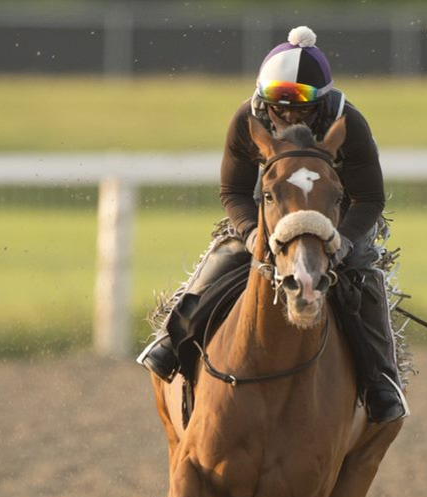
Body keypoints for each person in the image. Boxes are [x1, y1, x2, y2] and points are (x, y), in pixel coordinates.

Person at [136, 25, 408, 423]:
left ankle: (381, 380)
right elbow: (233, 191)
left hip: (337, 217)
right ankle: (174, 342)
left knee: (365, 276)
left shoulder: (348, 122)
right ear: (264, 98)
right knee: (223, 256)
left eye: (301, 104)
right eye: (279, 103)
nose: (289, 113)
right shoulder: (247, 118)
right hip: (270, 214)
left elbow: (369, 199)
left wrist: (344, 240)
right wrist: (248, 234)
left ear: (323, 100)